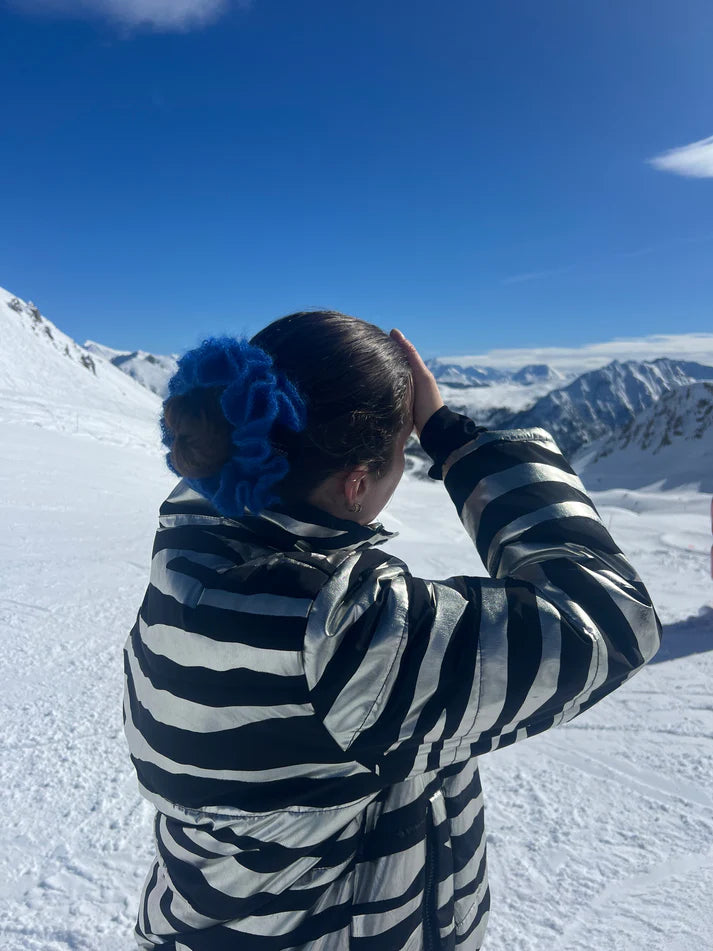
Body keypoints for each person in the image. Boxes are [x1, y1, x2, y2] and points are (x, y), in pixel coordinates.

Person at [123, 310, 661, 951]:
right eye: (400, 456)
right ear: (356, 482)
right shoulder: (339, 636)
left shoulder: (187, 564)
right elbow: (611, 620)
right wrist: (458, 441)